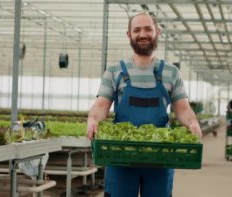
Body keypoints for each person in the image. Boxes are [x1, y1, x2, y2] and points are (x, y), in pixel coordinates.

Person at [87, 13, 203, 197]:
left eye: (148, 29)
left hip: (160, 155)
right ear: (129, 35)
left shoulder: (171, 72)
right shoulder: (115, 71)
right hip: (121, 155)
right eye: (137, 30)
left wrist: (192, 123)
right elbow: (101, 106)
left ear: (158, 32)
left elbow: (183, 108)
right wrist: (93, 120)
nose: (143, 34)